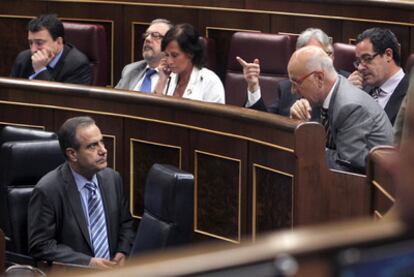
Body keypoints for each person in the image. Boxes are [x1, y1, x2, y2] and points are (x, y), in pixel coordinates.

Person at [28, 116, 135, 268]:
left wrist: (123, 251)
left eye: (102, 142)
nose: (103, 150)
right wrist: (87, 262)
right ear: (72, 154)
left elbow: (126, 223)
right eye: (92, 146)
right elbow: (41, 245)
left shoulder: (113, 179)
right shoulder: (48, 190)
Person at [288, 46, 393, 173]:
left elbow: (346, 167)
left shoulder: (350, 107)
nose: (292, 91)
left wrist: (309, 146)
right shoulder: (324, 96)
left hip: (372, 187)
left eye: (296, 83)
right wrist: (299, 122)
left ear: (319, 78)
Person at [237, 28, 349, 116]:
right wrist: (253, 87)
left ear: (331, 56)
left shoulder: (347, 85)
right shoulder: (288, 88)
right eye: (311, 56)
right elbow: (265, 125)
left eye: (322, 55)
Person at [347, 27, 407, 125]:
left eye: (367, 59)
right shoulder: (361, 89)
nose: (360, 68)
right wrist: (348, 96)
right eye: (358, 62)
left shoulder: (409, 93)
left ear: (388, 55)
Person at [10, 14, 92, 85]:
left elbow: (63, 100)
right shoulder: (23, 58)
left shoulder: (77, 65)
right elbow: (11, 94)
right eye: (31, 43)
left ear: (59, 42)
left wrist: (40, 70)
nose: (33, 49)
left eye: (39, 43)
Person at [154, 23, 225, 104]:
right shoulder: (167, 76)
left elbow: (215, 116)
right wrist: (162, 80)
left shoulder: (210, 81)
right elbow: (153, 110)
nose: (169, 61)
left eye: (174, 55)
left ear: (190, 53)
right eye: (167, 55)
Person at [115, 19, 173, 91]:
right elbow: (112, 101)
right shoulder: (130, 70)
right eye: (146, 35)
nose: (147, 39)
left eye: (155, 35)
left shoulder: (177, 75)